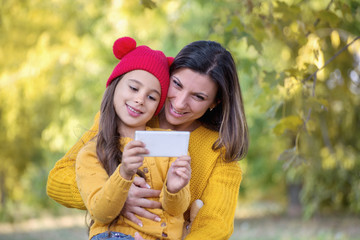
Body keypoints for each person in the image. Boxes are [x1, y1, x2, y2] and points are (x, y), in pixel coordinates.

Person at [47, 38, 249, 239]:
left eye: (198, 97)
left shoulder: (220, 151)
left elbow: (214, 226)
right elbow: (58, 180)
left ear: (215, 102)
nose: (179, 103)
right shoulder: (127, 116)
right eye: (176, 84)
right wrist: (118, 195)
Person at [76, 36, 191, 240]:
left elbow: (177, 210)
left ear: (158, 107)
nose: (139, 99)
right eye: (134, 88)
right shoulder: (92, 152)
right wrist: (125, 173)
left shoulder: (169, 143)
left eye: (152, 97)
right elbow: (100, 212)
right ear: (114, 87)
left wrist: (175, 189)